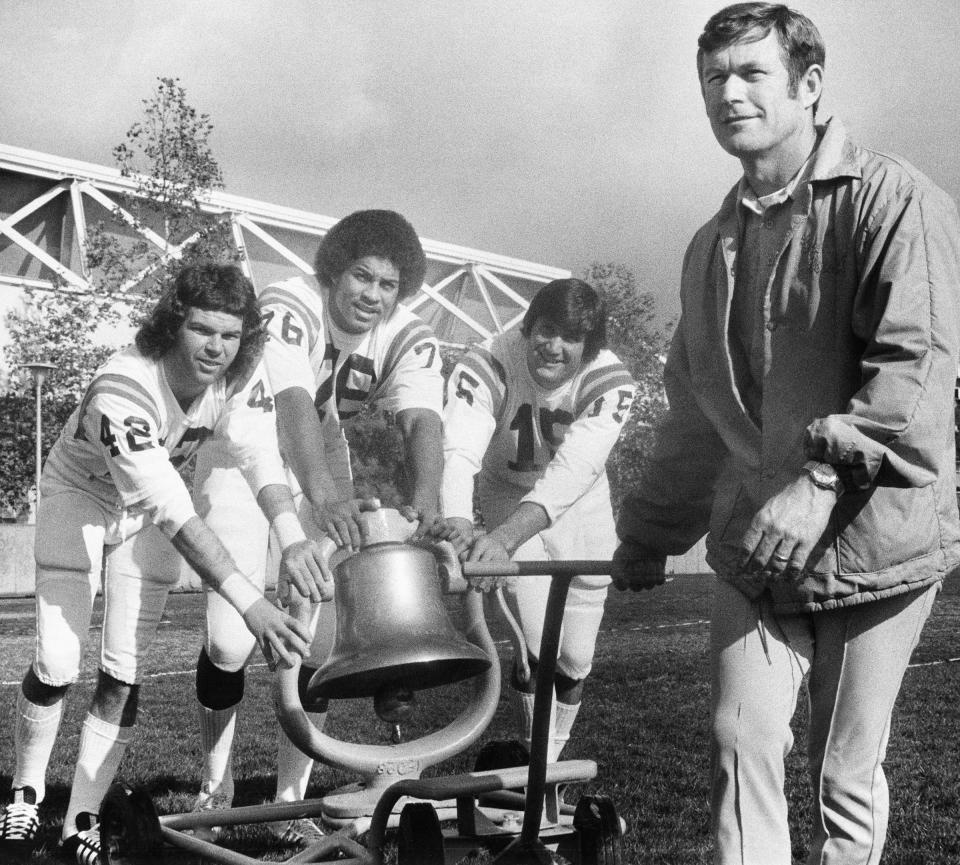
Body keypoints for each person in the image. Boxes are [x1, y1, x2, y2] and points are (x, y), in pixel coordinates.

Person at [612, 5, 960, 864]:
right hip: (756, 549)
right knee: (740, 743)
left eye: (750, 73)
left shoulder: (896, 198)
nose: (728, 93)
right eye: (713, 78)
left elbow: (915, 374)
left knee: (843, 773)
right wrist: (650, 533)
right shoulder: (707, 247)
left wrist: (822, 480)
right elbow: (693, 415)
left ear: (808, 85)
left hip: (878, 546)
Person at [0, 264, 331, 863]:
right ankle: (23, 798)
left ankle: (81, 821)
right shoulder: (123, 385)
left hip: (145, 509)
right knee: (56, 661)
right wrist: (252, 604)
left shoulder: (233, 377)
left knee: (122, 671)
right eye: (203, 330)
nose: (216, 348)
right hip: (82, 495)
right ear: (172, 323)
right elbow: (174, 511)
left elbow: (258, 456)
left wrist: (291, 536)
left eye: (230, 336)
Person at [190, 209, 444, 845]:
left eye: (388, 285)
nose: (371, 296)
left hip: (321, 463)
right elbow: (293, 401)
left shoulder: (405, 331)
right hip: (244, 461)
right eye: (361, 276)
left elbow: (422, 421)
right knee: (229, 642)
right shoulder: (290, 301)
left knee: (315, 637)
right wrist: (326, 497)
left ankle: (290, 801)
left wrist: (429, 500)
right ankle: (214, 782)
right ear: (333, 269)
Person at [440, 278, 636, 762]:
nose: (553, 346)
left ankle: (545, 761)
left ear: (589, 346)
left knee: (576, 658)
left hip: (582, 506)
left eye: (570, 337)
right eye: (545, 330)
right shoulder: (488, 360)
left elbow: (575, 470)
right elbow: (459, 449)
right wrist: (460, 521)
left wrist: (503, 537)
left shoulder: (610, 379)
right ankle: (538, 770)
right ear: (527, 327)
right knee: (532, 648)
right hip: (507, 493)